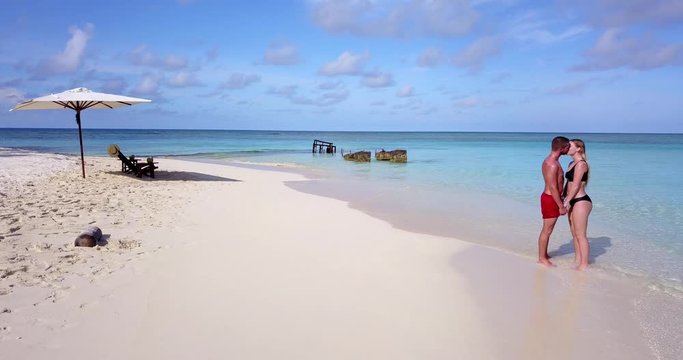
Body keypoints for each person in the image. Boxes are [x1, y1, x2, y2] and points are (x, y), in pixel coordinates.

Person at [538, 136, 570, 266]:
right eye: (567, 147)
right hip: (551, 199)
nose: (568, 149)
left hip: (552, 198)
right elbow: (552, 186)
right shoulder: (551, 164)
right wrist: (561, 206)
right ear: (562, 148)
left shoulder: (552, 161)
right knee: (547, 230)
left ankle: (543, 254)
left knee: (548, 229)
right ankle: (542, 258)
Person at [563, 139, 592, 270]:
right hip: (571, 199)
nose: (567, 148)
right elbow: (567, 184)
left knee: (581, 235)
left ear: (578, 148)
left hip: (580, 201)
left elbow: (575, 186)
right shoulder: (571, 163)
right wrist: (564, 197)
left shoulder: (581, 164)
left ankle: (584, 265)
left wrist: (567, 200)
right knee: (574, 234)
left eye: (570, 146)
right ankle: (577, 260)